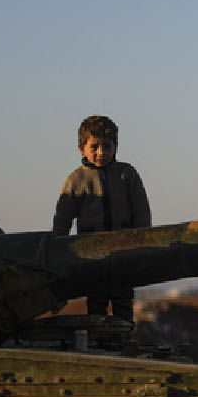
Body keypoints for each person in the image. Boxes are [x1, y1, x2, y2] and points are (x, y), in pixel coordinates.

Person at [51, 115, 153, 322]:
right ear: (82, 148)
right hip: (91, 254)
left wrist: (145, 240)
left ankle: (124, 343)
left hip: (125, 251)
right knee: (96, 305)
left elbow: (141, 209)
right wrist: (56, 248)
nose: (101, 153)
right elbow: (63, 218)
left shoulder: (127, 174)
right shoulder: (76, 180)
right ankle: (99, 345)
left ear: (115, 147)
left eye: (107, 146)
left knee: (123, 302)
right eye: (94, 147)